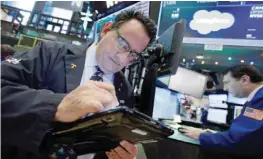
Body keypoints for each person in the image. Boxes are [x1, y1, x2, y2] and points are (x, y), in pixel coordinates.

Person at [1, 10, 157, 159]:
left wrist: (116, 154)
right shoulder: (51, 53)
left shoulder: (125, 90)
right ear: (106, 30)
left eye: (133, 54)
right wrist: (56, 106)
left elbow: (102, 145)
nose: (123, 58)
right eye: (122, 44)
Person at [180, 65, 263, 156]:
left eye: (227, 82)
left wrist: (201, 136)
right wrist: (215, 135)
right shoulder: (255, 99)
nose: (225, 88)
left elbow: (240, 141)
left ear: (245, 80)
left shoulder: (260, 100)